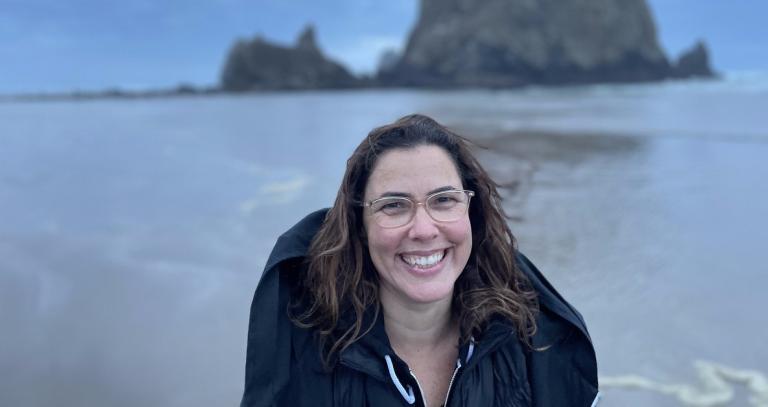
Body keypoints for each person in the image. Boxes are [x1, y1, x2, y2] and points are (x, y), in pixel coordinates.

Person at [240, 114, 600, 406]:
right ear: (359, 227)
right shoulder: (303, 360)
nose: (424, 230)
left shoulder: (534, 341)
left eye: (444, 200)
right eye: (393, 205)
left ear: (471, 214)